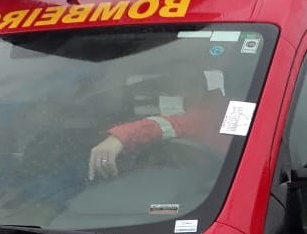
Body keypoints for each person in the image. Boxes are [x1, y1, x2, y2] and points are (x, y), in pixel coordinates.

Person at [88, 77, 228, 181]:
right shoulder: (191, 108)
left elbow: (172, 125)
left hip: (219, 183)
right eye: (169, 91)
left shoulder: (216, 109)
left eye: (184, 86)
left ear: (199, 87)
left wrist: (119, 138)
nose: (179, 94)